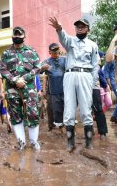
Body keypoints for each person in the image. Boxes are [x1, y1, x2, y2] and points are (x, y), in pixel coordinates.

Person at [48, 17, 99, 151]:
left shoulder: (93, 45)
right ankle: (70, 142)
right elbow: (62, 37)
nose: (80, 28)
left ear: (88, 29)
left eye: (82, 26)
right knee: (69, 107)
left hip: (85, 75)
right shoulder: (70, 41)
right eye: (77, 26)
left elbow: (95, 65)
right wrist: (58, 28)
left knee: (86, 108)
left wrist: (92, 81)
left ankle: (88, 142)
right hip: (70, 74)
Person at [0, 26, 41, 150]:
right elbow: (3, 69)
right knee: (15, 115)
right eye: (15, 34)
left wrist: (26, 78)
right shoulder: (6, 53)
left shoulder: (32, 51)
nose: (17, 36)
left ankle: (34, 141)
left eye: (19, 34)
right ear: (12, 36)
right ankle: (21, 142)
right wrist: (15, 80)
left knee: (33, 113)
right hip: (13, 89)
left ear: (24, 36)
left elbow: (37, 67)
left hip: (29, 88)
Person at [41, 43, 66, 129]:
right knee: (54, 110)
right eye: (53, 52)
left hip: (65, 90)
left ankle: (66, 127)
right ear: (49, 52)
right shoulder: (47, 62)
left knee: (66, 109)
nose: (56, 53)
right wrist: (42, 68)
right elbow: (38, 71)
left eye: (57, 51)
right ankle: (54, 127)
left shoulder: (64, 60)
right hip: (53, 91)